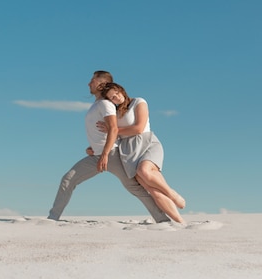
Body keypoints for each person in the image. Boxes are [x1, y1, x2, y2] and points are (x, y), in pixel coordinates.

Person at [47, 71, 170, 223]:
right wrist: (92, 147)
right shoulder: (97, 105)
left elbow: (113, 129)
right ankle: (52, 218)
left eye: (92, 80)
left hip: (112, 154)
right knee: (68, 179)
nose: (88, 83)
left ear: (101, 84)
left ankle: (163, 220)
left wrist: (105, 154)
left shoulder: (106, 104)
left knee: (135, 188)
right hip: (97, 155)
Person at [98, 82, 186, 223]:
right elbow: (110, 135)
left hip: (146, 143)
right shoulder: (113, 114)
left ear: (122, 90)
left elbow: (138, 128)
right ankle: (180, 222)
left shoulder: (138, 102)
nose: (116, 98)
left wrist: (113, 130)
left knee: (144, 171)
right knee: (152, 190)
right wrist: (96, 148)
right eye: (112, 98)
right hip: (128, 151)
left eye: (116, 93)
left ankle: (173, 195)